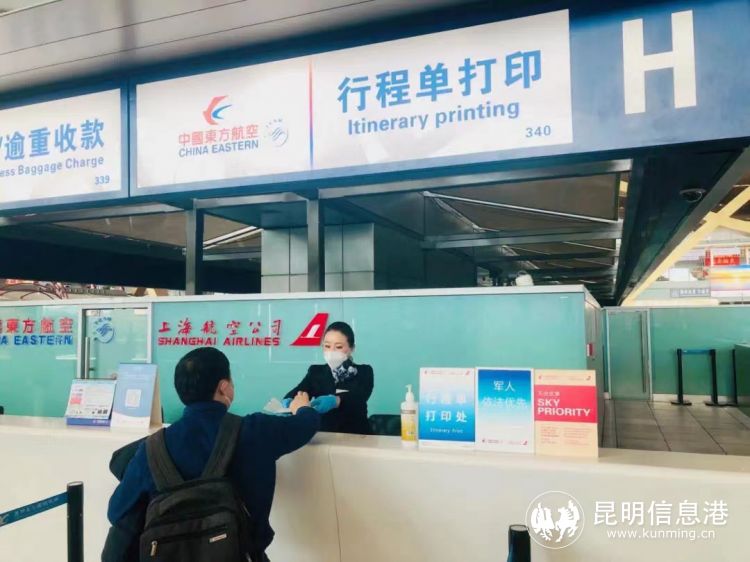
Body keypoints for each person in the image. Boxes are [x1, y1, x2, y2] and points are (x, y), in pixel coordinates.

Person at [104, 347, 319, 562]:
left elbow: (116, 512)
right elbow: (306, 425)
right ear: (224, 387)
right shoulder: (254, 431)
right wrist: (302, 407)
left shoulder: (152, 449)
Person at [284, 321, 374, 435]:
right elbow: (299, 391)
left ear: (352, 348)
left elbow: (359, 397)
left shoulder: (364, 371)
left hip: (357, 436)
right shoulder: (316, 371)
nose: (331, 351)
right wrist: (290, 400)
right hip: (324, 435)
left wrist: (336, 400)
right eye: (327, 346)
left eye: (338, 347)